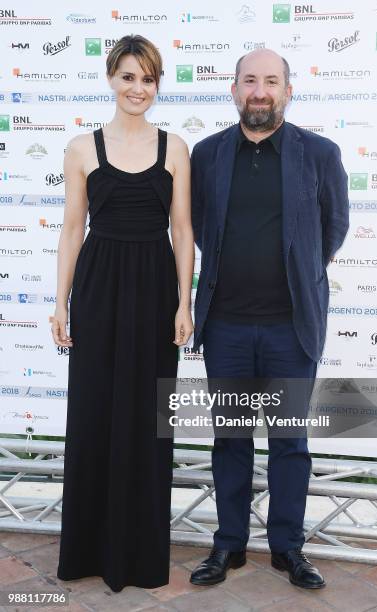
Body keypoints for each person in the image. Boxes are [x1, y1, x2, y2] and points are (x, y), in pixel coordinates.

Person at [189, 49, 349, 589]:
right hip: (227, 328)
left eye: (271, 81)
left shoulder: (320, 154)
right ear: (234, 89)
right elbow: (197, 226)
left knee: (289, 442)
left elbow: (334, 227)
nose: (260, 90)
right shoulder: (207, 155)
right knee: (230, 439)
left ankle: (288, 548)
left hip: (291, 328)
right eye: (250, 80)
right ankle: (227, 546)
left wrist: (302, 271)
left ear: (288, 89)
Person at [52, 34, 194, 592]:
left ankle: (138, 552)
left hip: (156, 286)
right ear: (111, 78)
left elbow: (182, 231)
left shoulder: (175, 147)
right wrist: (59, 303)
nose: (139, 88)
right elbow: (70, 230)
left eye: (149, 78)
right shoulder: (81, 148)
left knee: (149, 419)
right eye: (129, 76)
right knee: (93, 412)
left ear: (157, 85)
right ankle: (87, 549)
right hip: (100, 284)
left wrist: (184, 301)